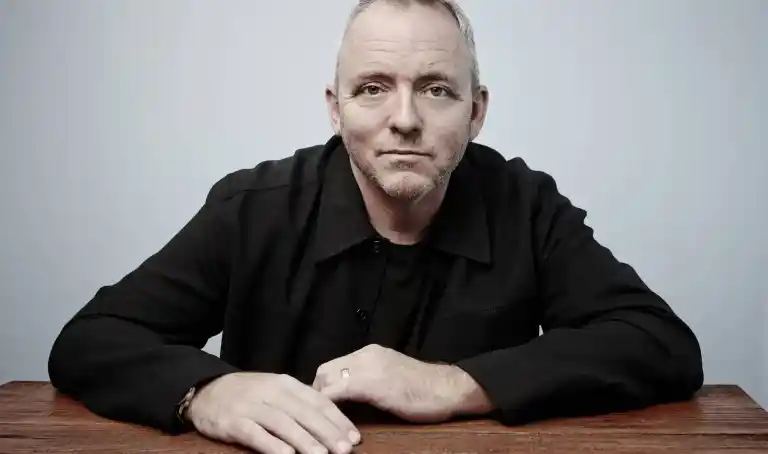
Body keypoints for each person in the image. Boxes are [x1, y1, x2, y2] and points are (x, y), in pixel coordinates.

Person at [48, 1, 704, 453]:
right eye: (372, 88)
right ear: (335, 108)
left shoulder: (526, 205)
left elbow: (660, 344)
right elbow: (90, 341)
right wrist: (205, 392)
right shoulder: (251, 207)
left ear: (476, 112)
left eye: (437, 89)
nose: (406, 119)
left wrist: (454, 385)